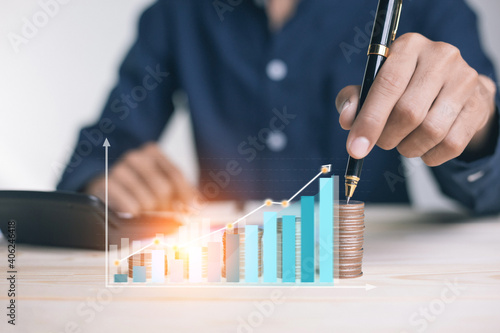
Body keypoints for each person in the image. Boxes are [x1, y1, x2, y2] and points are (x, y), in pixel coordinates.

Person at [57, 0, 500, 216]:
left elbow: (489, 192)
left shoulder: (429, 6)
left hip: (374, 289)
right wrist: (100, 182)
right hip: (225, 283)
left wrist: (480, 127)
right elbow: (100, 150)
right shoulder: (175, 14)